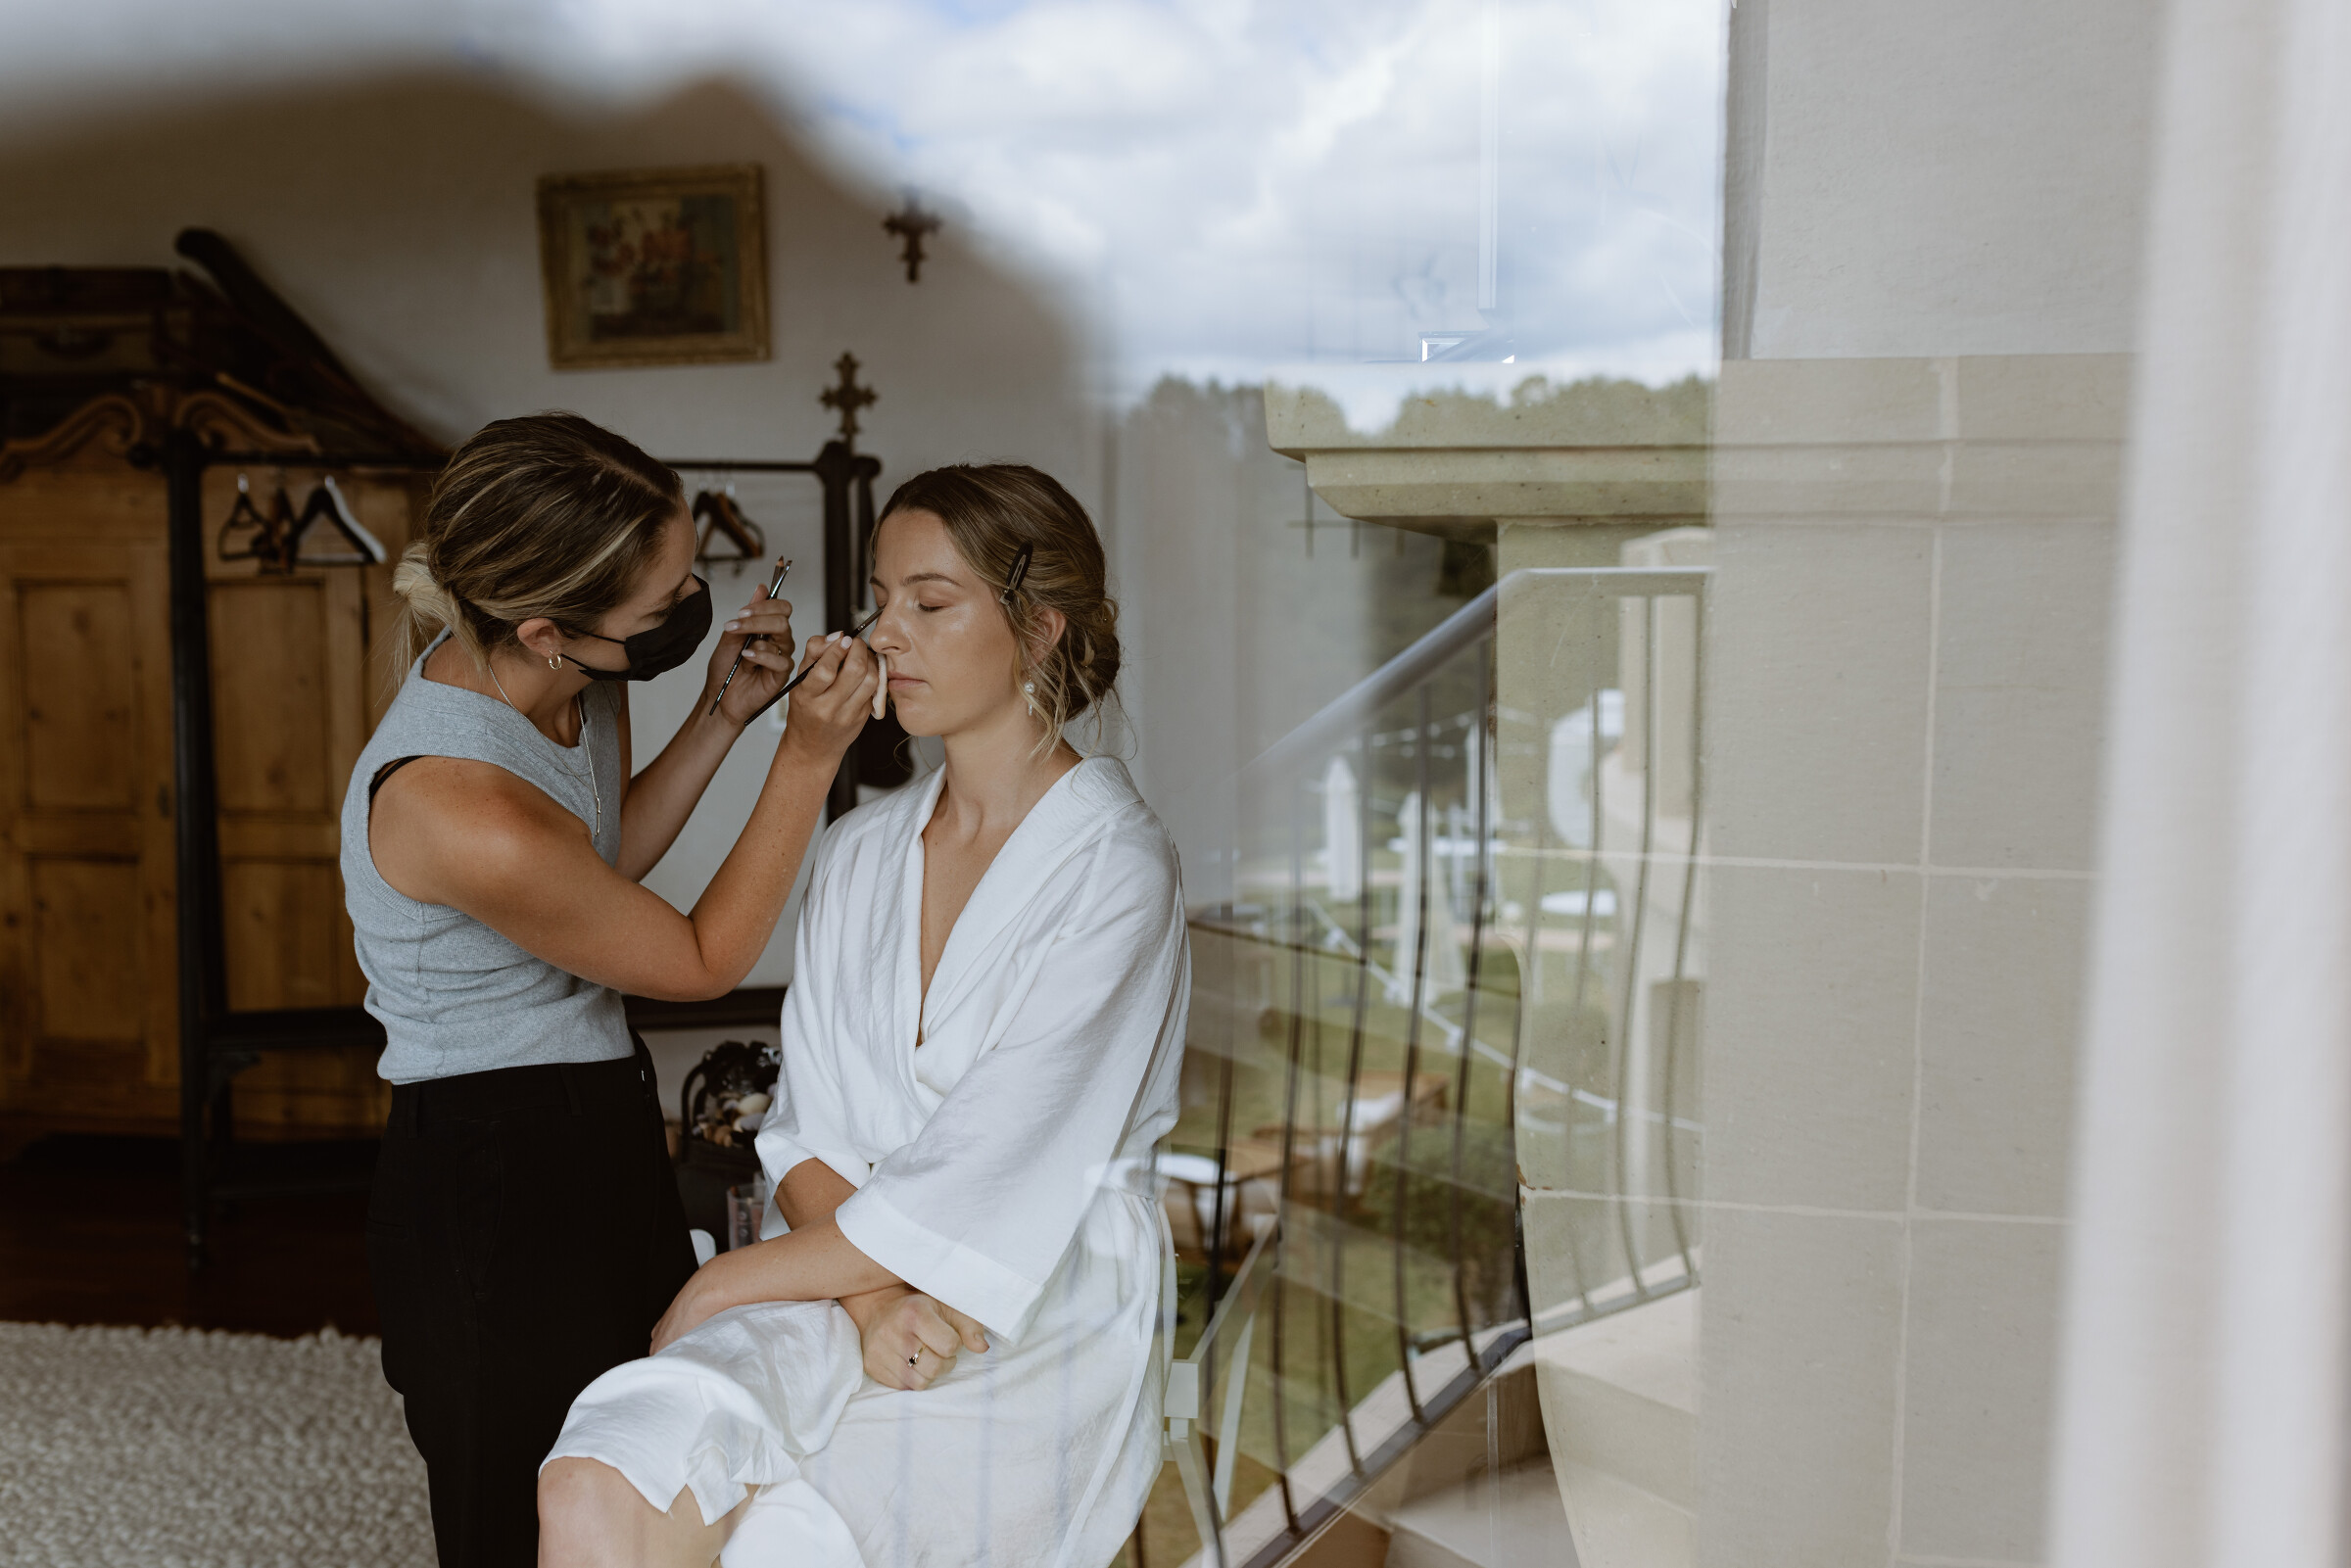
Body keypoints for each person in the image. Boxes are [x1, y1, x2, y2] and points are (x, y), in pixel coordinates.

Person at [537, 464, 1188, 1568]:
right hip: (839, 1277)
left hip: (1028, 1305)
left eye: (931, 603)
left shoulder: (1114, 870)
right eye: (883, 599)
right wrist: (871, 1299)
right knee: (606, 1469)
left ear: (1039, 630)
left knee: (788, 1543)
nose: (887, 633)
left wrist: (725, 1276)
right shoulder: (860, 852)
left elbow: (995, 1172)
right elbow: (809, 1132)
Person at [346, 412, 880, 1568]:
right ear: (545, 629)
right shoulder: (456, 802)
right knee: (514, 1520)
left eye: (690, 577)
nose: (690, 607)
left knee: (644, 1480)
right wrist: (805, 754)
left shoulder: (576, 679)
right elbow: (698, 959)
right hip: (490, 1171)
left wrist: (725, 713)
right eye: (664, 602)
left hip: (599, 1120)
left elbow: (598, 862)